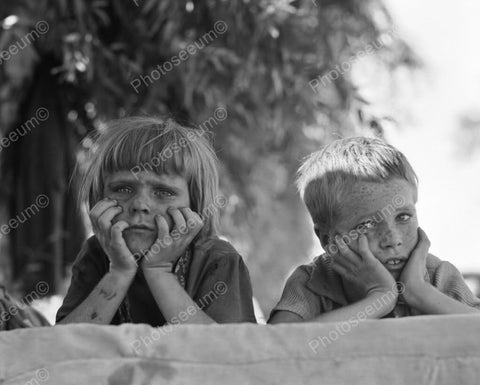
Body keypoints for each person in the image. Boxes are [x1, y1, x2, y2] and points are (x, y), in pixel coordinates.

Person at [56, 116, 256, 326]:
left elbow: (226, 352)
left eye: (163, 192)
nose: (140, 204)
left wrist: (159, 271)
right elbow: (59, 349)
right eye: (123, 189)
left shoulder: (218, 259)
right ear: (100, 198)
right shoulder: (97, 254)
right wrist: (119, 271)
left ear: (194, 206)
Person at [269, 137, 480, 324]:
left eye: (403, 217)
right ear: (328, 240)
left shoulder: (438, 275)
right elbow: (276, 346)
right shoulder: (312, 282)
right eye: (367, 225)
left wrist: (419, 292)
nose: (393, 240)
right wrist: (380, 298)